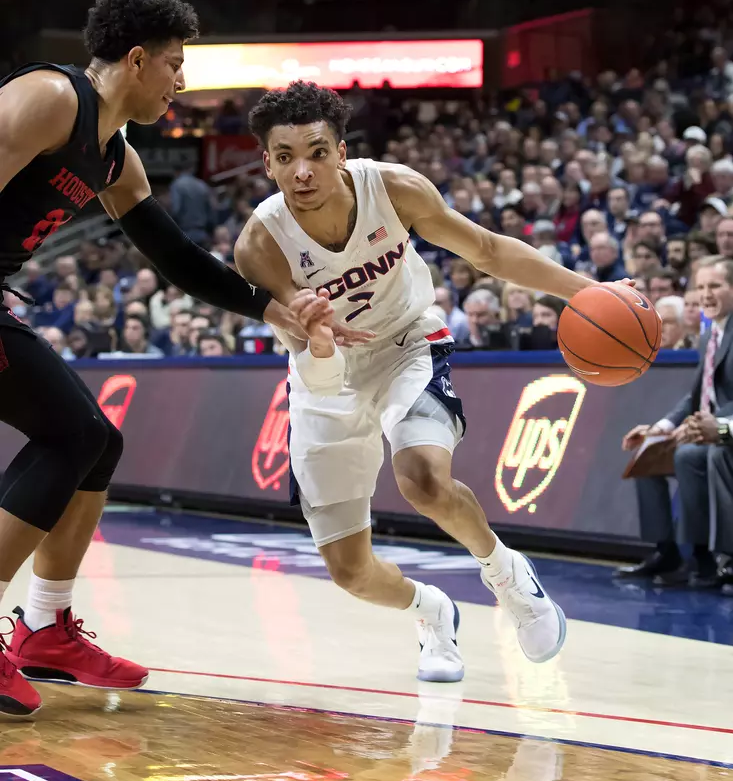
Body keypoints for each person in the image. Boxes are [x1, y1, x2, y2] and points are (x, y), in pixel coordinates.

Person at [0, 0, 339, 717]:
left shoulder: (117, 160)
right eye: (176, 65)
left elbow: (177, 256)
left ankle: (45, 629)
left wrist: (272, 308)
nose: (182, 82)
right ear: (135, 60)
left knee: (95, 443)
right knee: (74, 435)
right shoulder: (50, 98)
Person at [234, 80, 623, 684]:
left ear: (341, 152)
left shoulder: (394, 189)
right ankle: (431, 611)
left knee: (421, 476)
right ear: (268, 164)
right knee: (349, 570)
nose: (302, 172)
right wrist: (318, 339)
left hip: (406, 344)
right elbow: (311, 356)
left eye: (315, 152)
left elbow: (489, 252)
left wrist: (590, 293)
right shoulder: (260, 244)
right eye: (285, 158)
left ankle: (507, 578)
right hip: (326, 378)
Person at [617, 257, 733, 587]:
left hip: (723, 432)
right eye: (700, 287)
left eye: (715, 286)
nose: (706, 295)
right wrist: (663, 426)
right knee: (648, 451)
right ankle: (666, 553)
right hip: (706, 428)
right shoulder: (709, 336)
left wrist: (706, 424)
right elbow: (696, 395)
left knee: (690, 455)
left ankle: (706, 557)